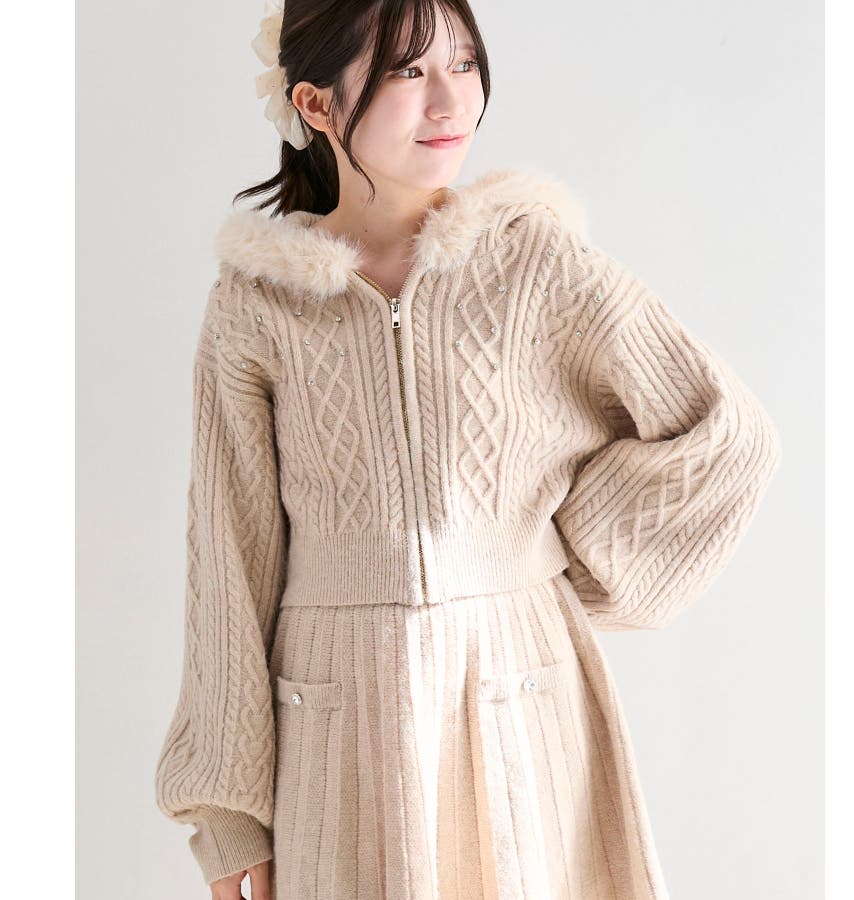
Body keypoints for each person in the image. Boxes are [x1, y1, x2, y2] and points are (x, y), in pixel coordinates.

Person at [153, 1, 783, 898]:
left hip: (519, 688)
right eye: (408, 71)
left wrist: (548, 561)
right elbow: (229, 553)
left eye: (463, 63)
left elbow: (727, 433)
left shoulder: (537, 264)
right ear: (317, 105)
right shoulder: (258, 304)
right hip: (338, 716)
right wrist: (226, 813)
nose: (452, 101)